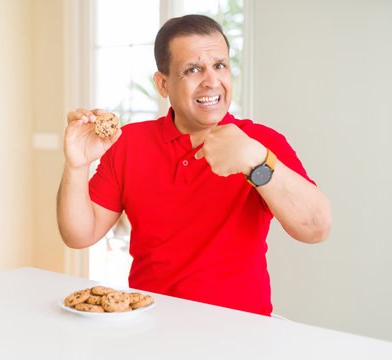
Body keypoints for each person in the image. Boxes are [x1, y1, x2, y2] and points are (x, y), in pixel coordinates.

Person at [57, 14, 331, 316]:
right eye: (193, 69)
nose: (212, 81)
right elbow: (79, 235)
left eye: (220, 65)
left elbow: (316, 229)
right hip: (151, 322)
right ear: (163, 84)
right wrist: (76, 165)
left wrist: (256, 162)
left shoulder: (262, 144)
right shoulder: (127, 143)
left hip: (241, 328)